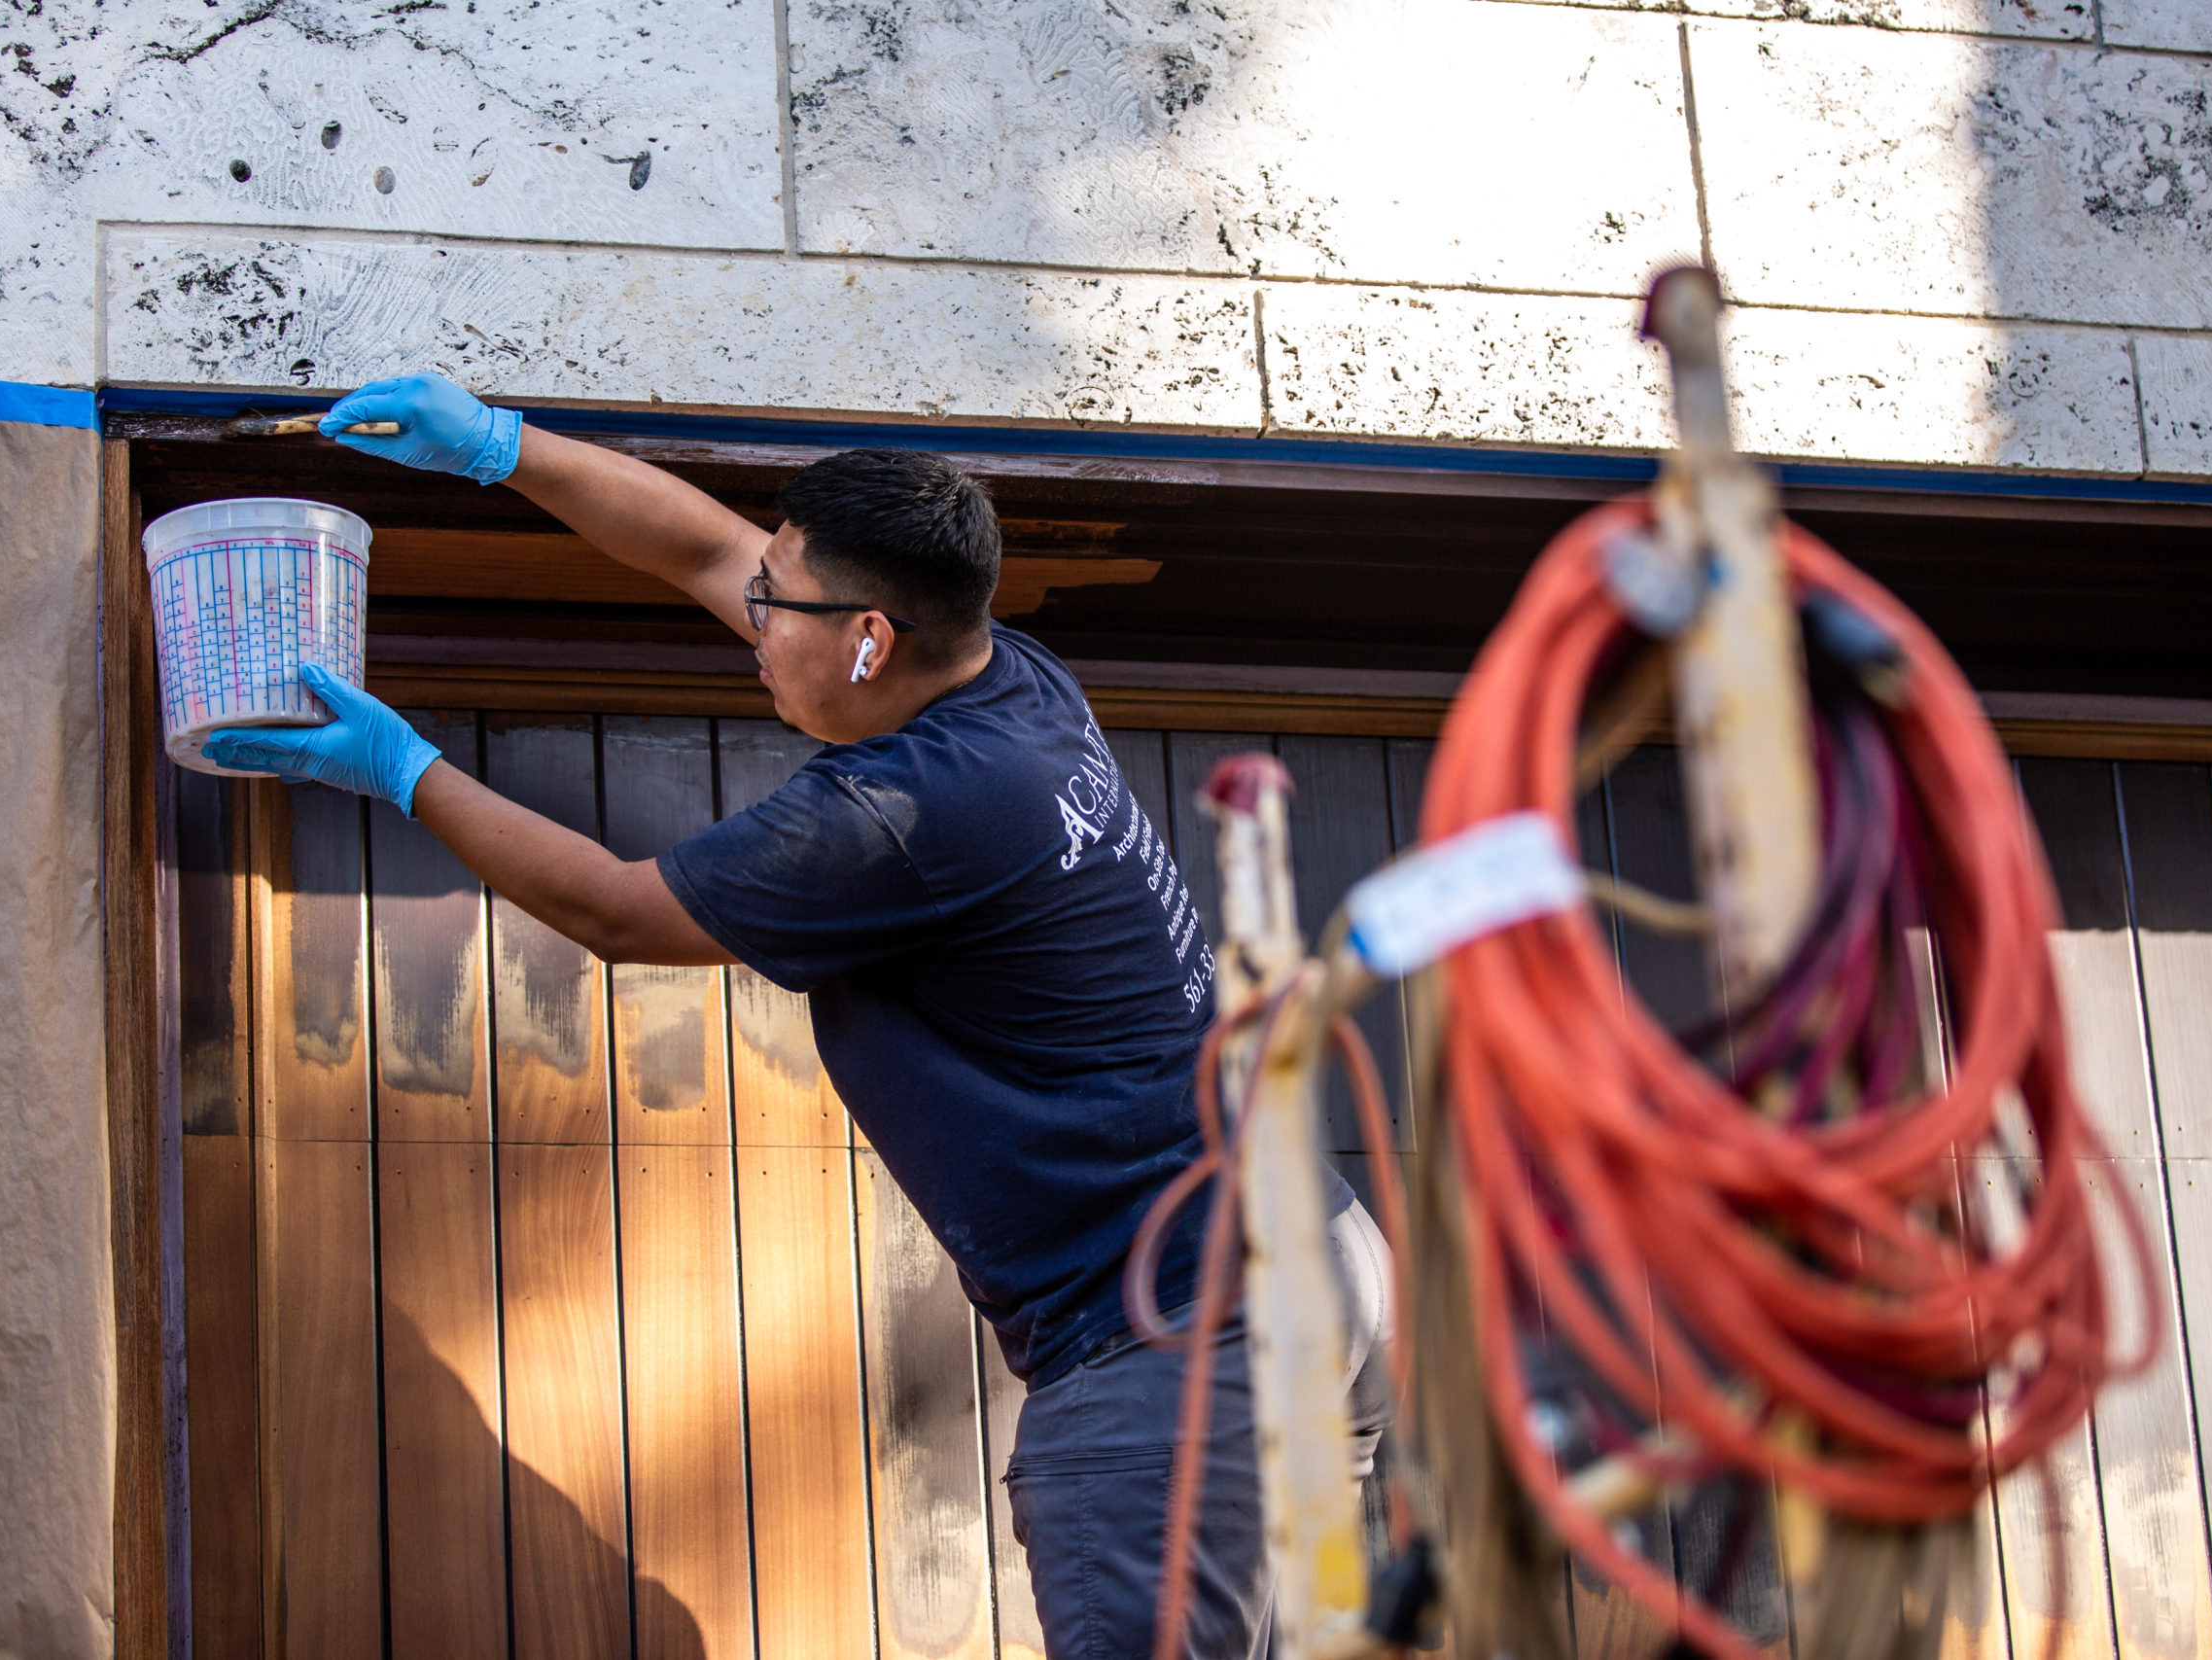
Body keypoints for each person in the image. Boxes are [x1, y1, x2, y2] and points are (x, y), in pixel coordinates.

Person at [204, 372, 1392, 1659]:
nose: (752, 617)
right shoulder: (1006, 677)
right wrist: (498, 447)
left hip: (1178, 1330)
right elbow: (706, 549)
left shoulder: (908, 811)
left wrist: (403, 769)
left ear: (871, 638)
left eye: (777, 605)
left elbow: (615, 910)